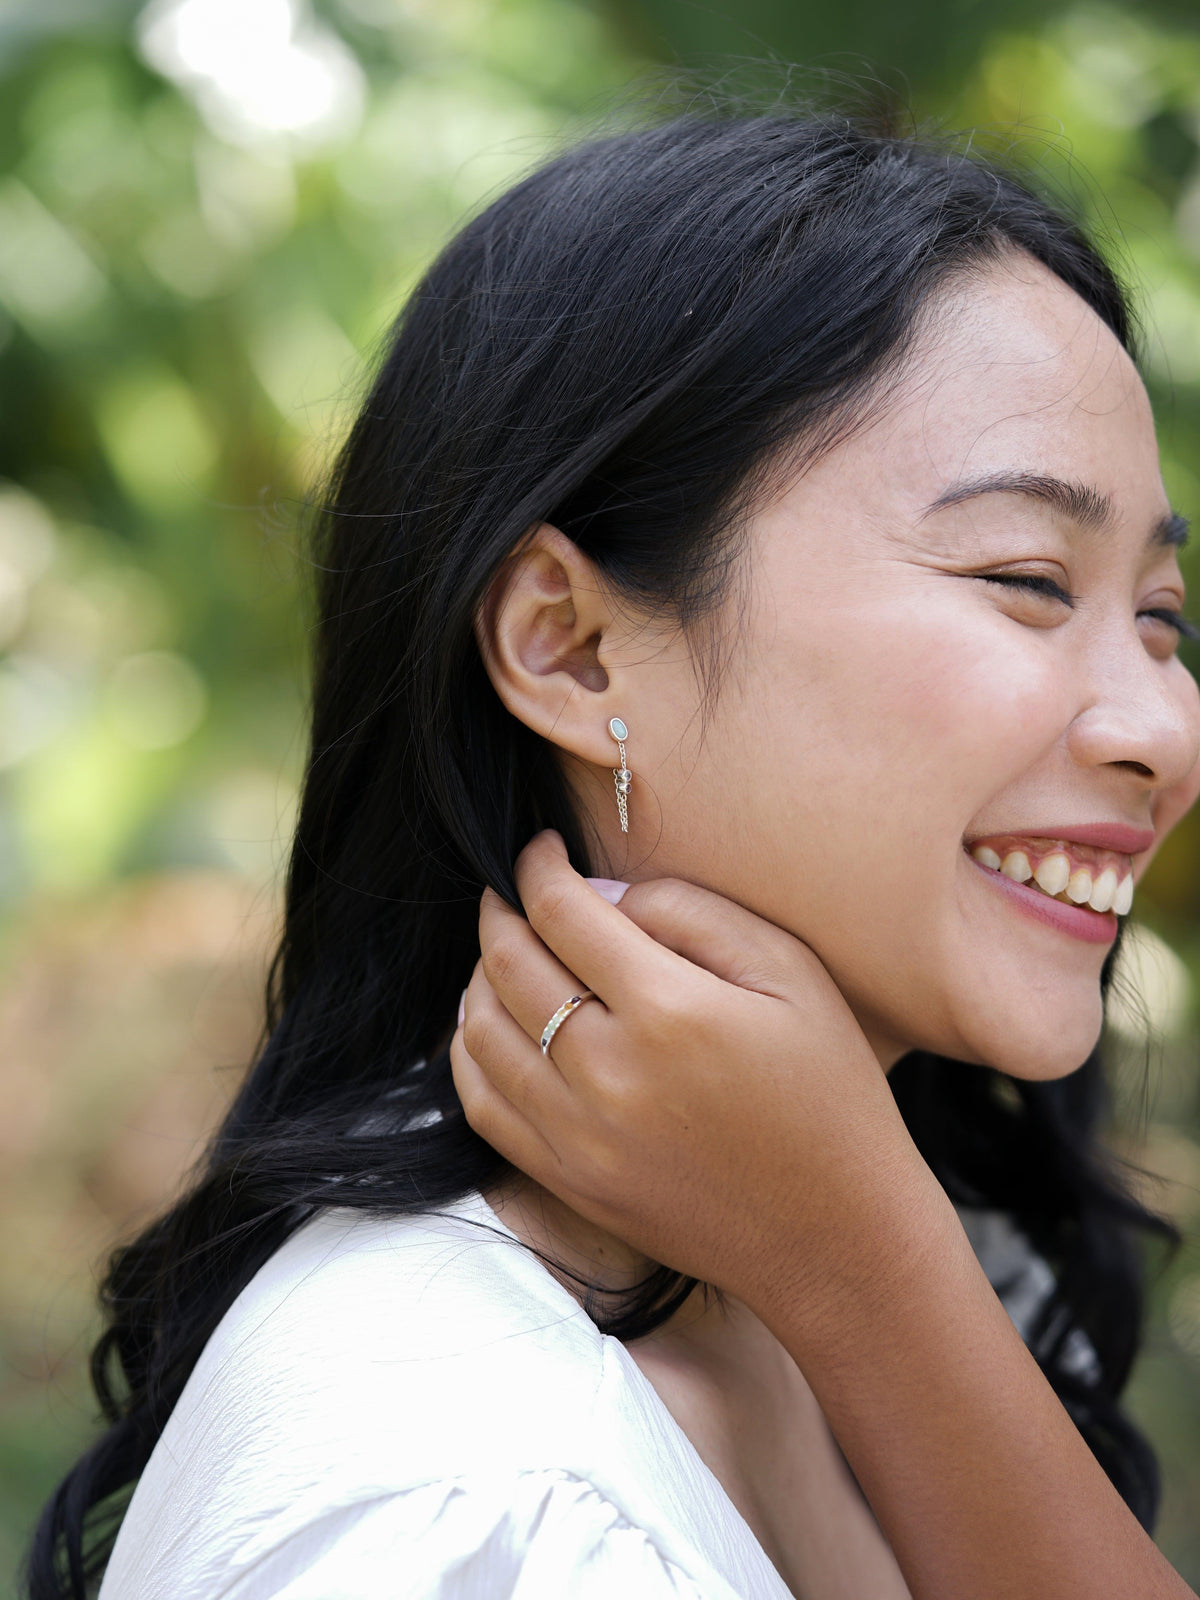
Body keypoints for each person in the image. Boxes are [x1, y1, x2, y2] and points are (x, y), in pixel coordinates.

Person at [25, 103, 1200, 1600]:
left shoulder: (855, 1297)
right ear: (571, 648)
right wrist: (866, 1273)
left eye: (1160, 617)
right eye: (1028, 579)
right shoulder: (468, 1509)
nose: (1161, 729)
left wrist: (871, 1277)